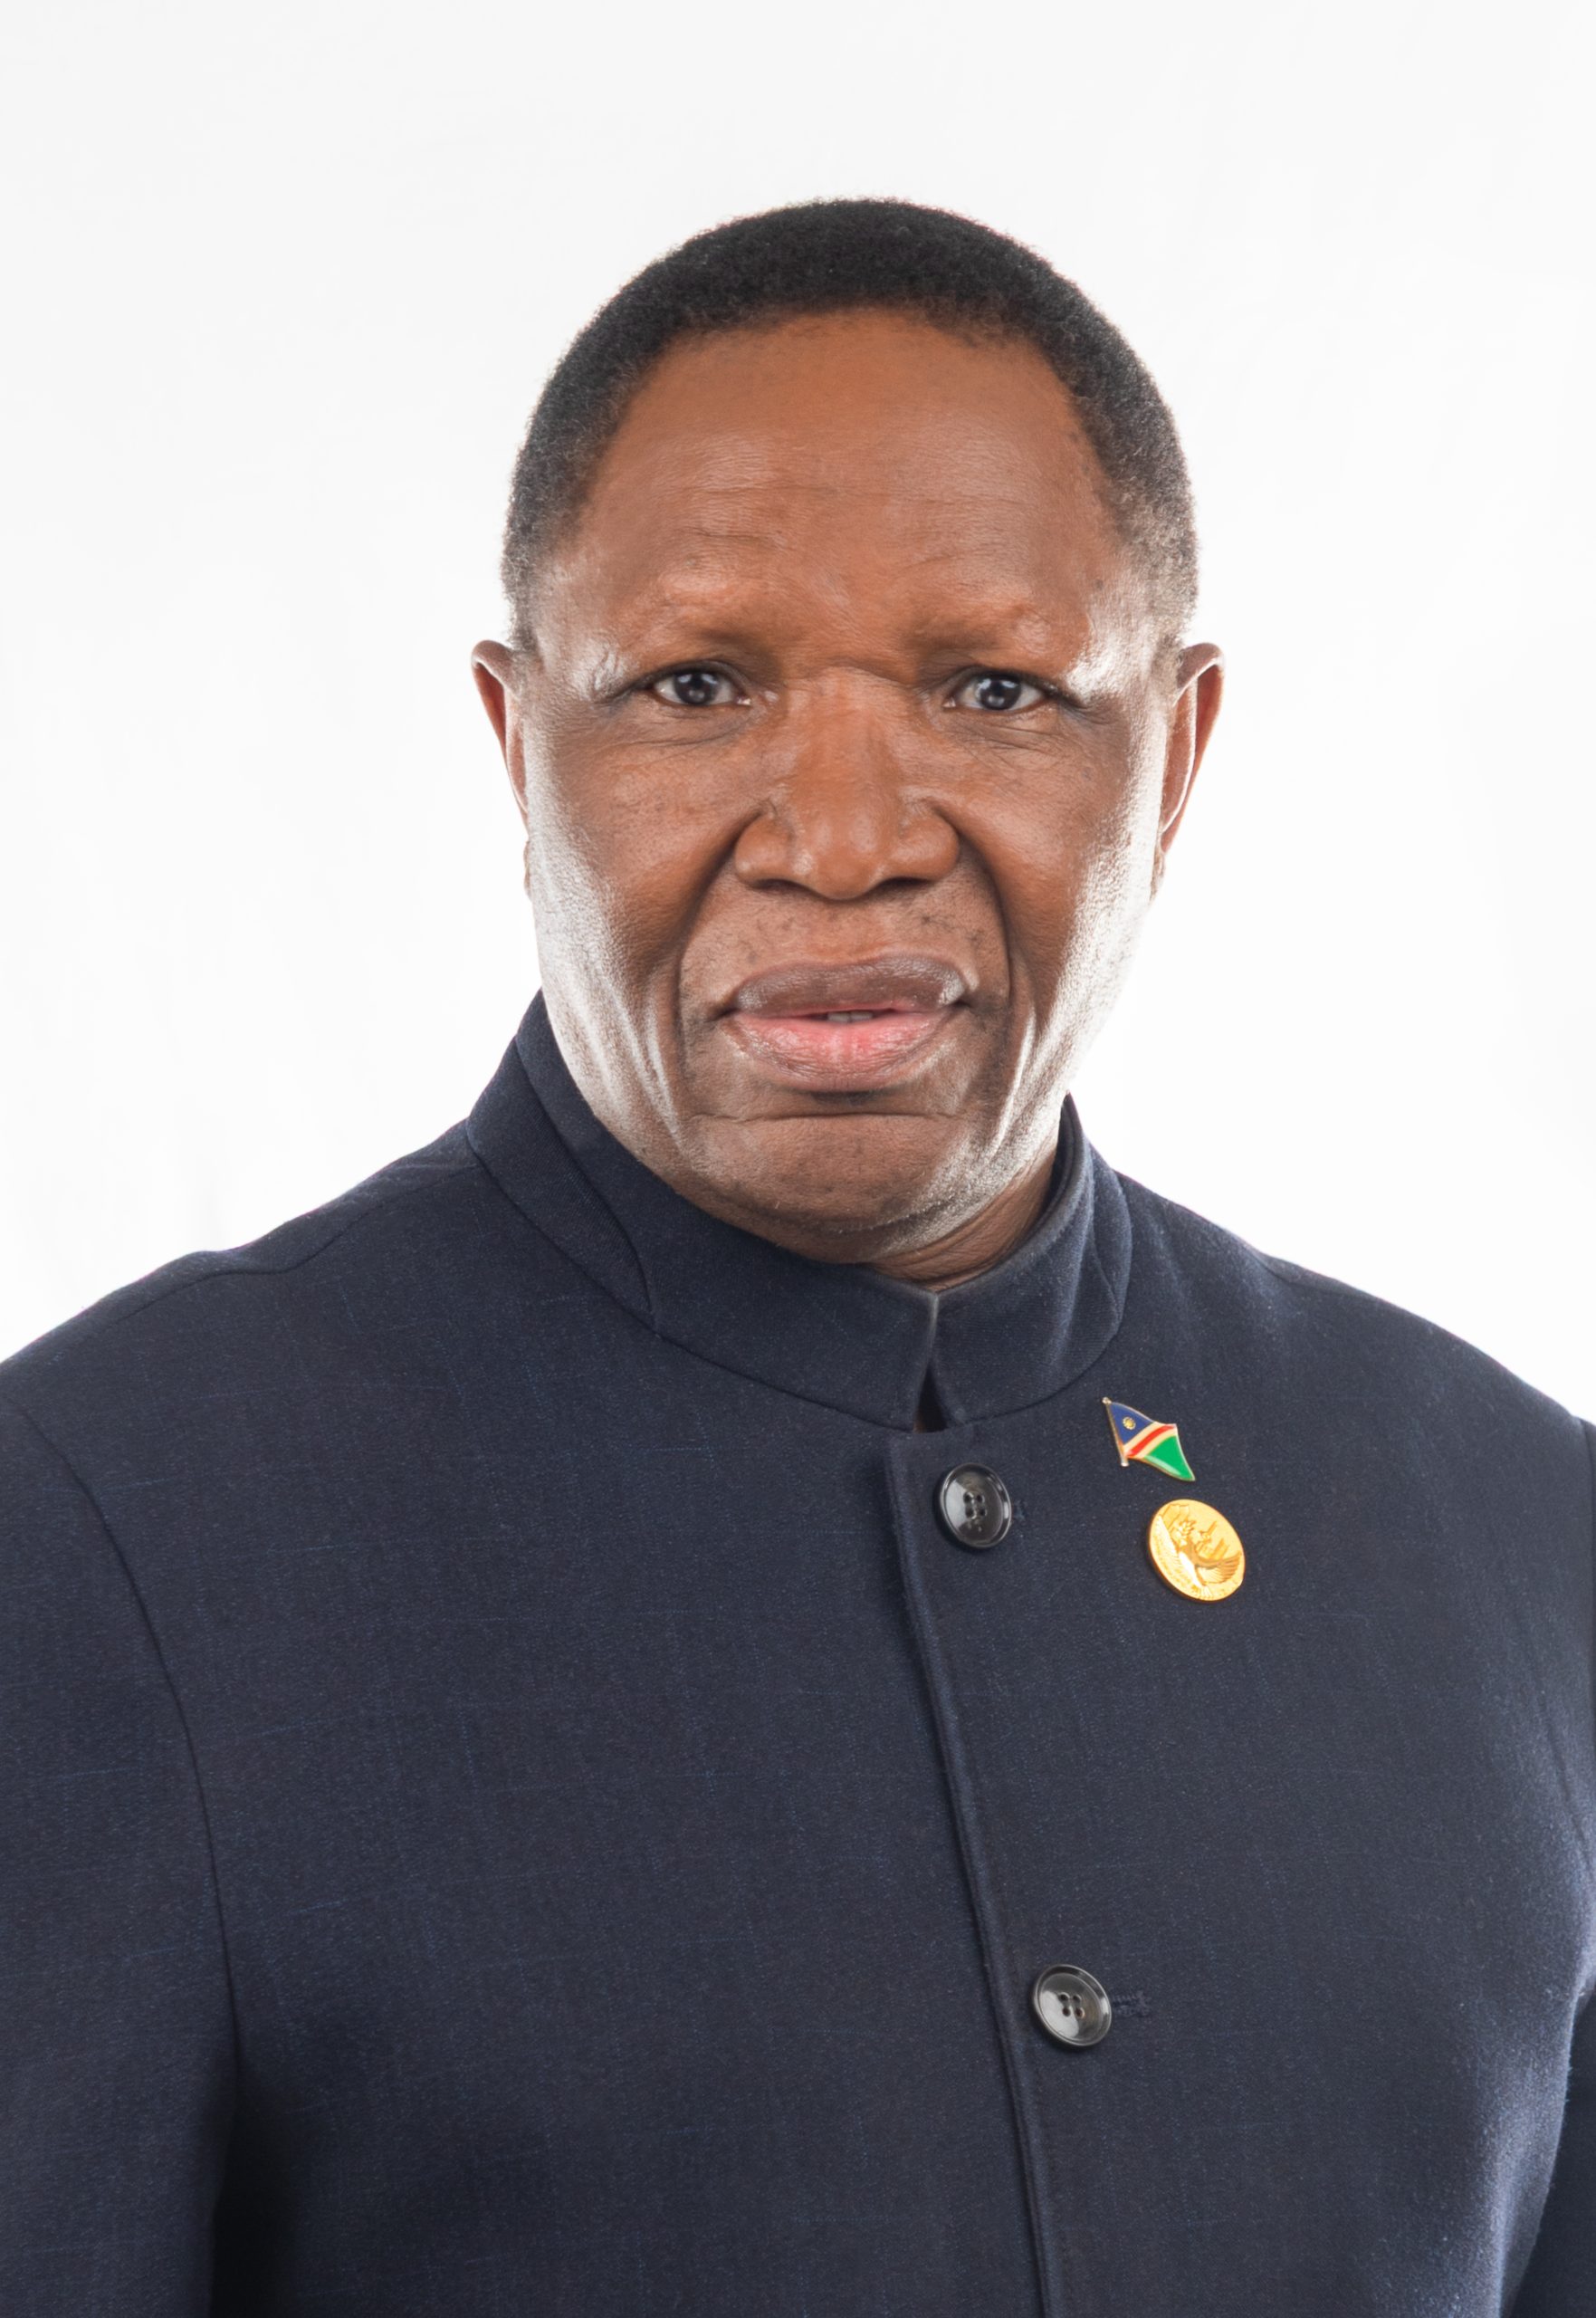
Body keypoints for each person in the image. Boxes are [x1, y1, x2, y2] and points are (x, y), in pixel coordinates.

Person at [1, 197, 1590, 2317]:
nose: (845, 838)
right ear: (520, 744)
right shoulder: (105, 1525)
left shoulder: (1520, 1532)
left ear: (1176, 753)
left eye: (997, 687)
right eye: (695, 684)